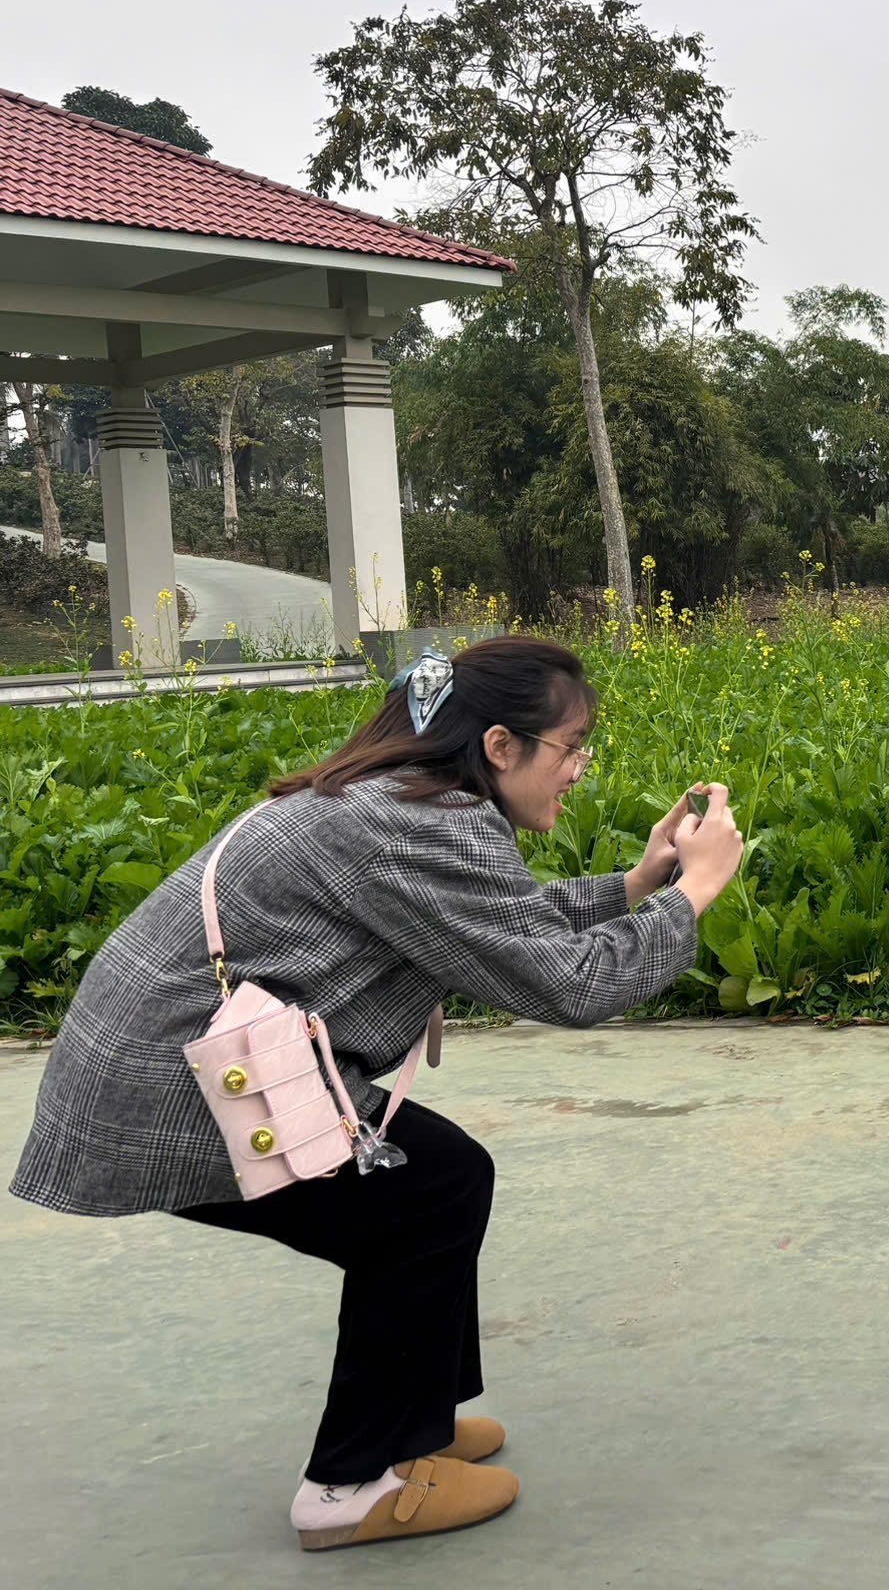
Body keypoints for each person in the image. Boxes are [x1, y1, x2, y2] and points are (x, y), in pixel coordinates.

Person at [10, 637, 745, 1550]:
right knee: (419, 1198)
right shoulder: (424, 823)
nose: (582, 769)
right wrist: (699, 891)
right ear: (502, 747)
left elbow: (503, 924)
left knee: (440, 1174)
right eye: (573, 747)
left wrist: (640, 884)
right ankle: (350, 1485)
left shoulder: (401, 801)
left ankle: (414, 1423)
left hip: (167, 1063)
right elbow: (574, 987)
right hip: (172, 1097)